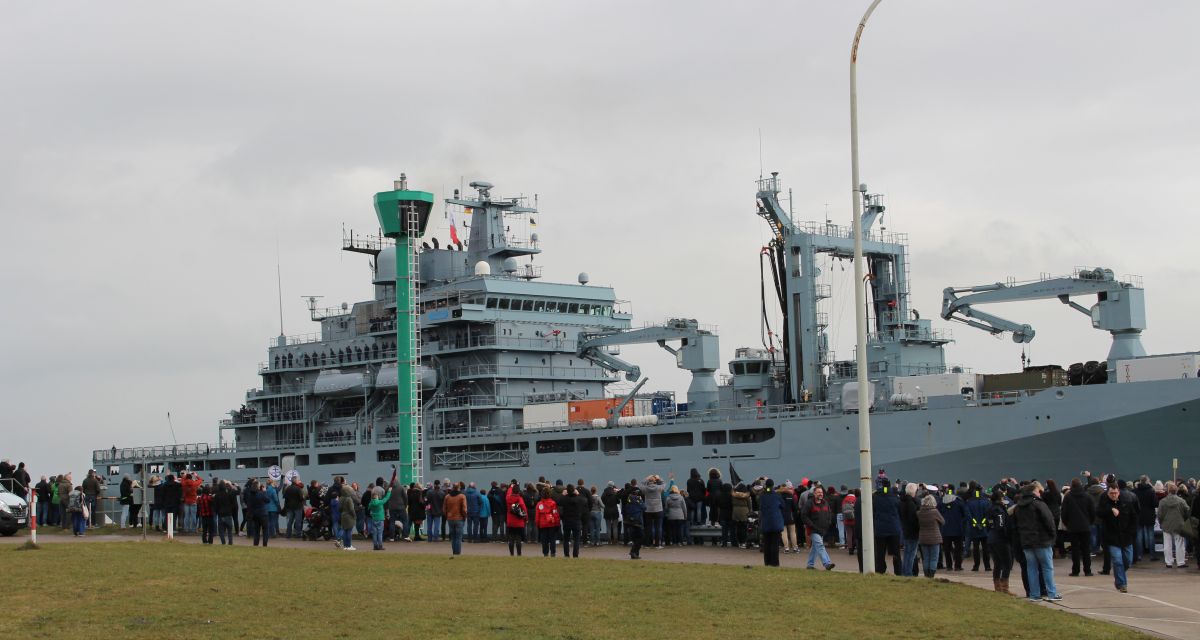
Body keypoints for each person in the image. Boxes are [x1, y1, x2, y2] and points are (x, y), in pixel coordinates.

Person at [1014, 482, 1061, 601]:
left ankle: (1034, 594)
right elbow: (1049, 521)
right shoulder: (1039, 504)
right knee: (1047, 567)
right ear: (1035, 491)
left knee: (1031, 568)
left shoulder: (1018, 507)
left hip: (1026, 541)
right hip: (1042, 540)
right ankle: (1052, 593)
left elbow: (1016, 524)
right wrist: (1052, 537)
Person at [1099, 482, 1136, 593]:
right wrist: (1110, 510)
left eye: (1115, 493)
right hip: (1112, 538)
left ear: (1119, 492)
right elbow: (1098, 513)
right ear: (1108, 493)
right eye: (1111, 493)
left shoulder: (1126, 503)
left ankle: (1119, 574)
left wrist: (1131, 532)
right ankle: (1122, 584)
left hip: (1126, 537)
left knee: (1128, 561)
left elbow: (1134, 518)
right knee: (1117, 560)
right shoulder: (1104, 502)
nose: (1114, 495)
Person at [1061, 478, 1096, 577]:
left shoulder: (1068, 497)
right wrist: (1090, 522)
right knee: (1086, 549)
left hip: (1073, 527)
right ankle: (1087, 570)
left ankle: (1075, 570)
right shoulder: (1087, 496)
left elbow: (1064, 513)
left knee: (1075, 550)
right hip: (1085, 526)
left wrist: (1067, 524)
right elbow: (1093, 512)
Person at [800, 485, 836, 570]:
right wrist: (811, 525)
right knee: (820, 545)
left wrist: (828, 522)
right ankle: (827, 563)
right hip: (813, 530)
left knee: (815, 548)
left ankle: (810, 564)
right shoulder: (809, 503)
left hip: (822, 529)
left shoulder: (825, 503)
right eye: (818, 492)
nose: (820, 494)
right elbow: (804, 515)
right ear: (814, 493)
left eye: (821, 492)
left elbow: (829, 513)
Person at [1157, 482, 1191, 568]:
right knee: (1180, 544)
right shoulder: (1181, 501)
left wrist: (1161, 523)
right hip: (1179, 524)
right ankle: (1180, 562)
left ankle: (1168, 562)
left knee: (1167, 544)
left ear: (1168, 491)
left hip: (1166, 524)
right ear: (1176, 491)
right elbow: (1187, 511)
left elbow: (1159, 515)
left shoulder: (1162, 501)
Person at [986, 487, 1014, 593]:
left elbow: (989, 524)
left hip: (991, 538)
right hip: (1000, 539)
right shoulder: (999, 510)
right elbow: (1001, 525)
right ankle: (1004, 588)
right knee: (1007, 563)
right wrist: (1007, 535)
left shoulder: (990, 508)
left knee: (997, 564)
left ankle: (997, 587)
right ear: (1000, 499)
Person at [873, 479, 903, 575]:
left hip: (880, 528)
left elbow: (873, 511)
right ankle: (898, 571)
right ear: (890, 485)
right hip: (894, 528)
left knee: (880, 552)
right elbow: (900, 510)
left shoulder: (876, 497)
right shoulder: (895, 497)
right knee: (896, 552)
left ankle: (880, 569)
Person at [938, 485, 968, 571]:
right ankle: (958, 566)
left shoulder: (941, 502)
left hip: (945, 530)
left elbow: (938, 513)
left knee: (947, 549)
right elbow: (965, 514)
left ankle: (949, 566)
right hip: (958, 529)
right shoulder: (959, 502)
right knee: (958, 549)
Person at [917, 494, 945, 578]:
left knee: (925, 558)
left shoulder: (919, 513)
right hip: (934, 538)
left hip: (923, 538)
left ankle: (926, 575)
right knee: (934, 558)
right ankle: (931, 575)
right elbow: (943, 521)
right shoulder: (935, 512)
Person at [965, 483, 992, 572]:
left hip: (974, 529)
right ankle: (987, 566)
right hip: (984, 529)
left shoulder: (969, 502)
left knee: (976, 549)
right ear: (981, 490)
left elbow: (968, 515)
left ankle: (976, 566)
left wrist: (975, 524)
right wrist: (983, 523)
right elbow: (988, 515)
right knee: (986, 548)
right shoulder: (987, 501)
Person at [1133, 475, 1159, 563]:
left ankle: (1139, 555)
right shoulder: (1151, 491)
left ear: (1140, 481)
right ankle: (1152, 555)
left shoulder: (1135, 491)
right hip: (1149, 515)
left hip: (1138, 515)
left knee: (1139, 535)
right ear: (1148, 481)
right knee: (1151, 535)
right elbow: (1155, 503)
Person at [898, 483, 921, 576]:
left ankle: (905, 571)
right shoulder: (911, 503)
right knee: (911, 554)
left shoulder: (901, 502)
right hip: (913, 532)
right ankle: (908, 573)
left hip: (905, 530)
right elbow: (914, 519)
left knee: (907, 553)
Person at [535, 486, 561, 557]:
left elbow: (537, 516)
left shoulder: (539, 504)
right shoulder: (553, 503)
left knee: (544, 540)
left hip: (542, 525)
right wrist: (557, 523)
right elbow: (555, 514)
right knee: (552, 539)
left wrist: (537, 524)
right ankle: (553, 553)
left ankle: (545, 553)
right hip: (551, 524)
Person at [443, 482, 467, 555]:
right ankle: (458, 553)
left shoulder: (447, 497)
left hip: (450, 519)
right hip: (459, 518)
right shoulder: (462, 496)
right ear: (459, 487)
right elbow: (464, 509)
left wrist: (447, 516)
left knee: (453, 537)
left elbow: (444, 509)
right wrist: (464, 516)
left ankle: (454, 552)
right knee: (458, 537)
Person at [643, 473, 666, 548]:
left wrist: (647, 478)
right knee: (658, 527)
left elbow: (640, 485)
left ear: (648, 481)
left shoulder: (645, 488)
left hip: (648, 510)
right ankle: (657, 544)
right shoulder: (658, 488)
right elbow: (664, 484)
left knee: (648, 527)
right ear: (655, 481)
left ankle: (647, 544)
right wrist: (659, 478)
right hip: (658, 509)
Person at [505, 480, 527, 556]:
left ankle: (511, 554)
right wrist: (526, 518)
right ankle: (519, 554)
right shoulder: (520, 499)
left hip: (510, 521)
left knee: (511, 538)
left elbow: (508, 493)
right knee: (518, 538)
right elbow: (524, 509)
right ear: (518, 491)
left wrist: (511, 486)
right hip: (519, 522)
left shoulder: (508, 498)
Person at [338, 478, 357, 551]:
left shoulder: (341, 498)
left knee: (345, 531)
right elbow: (352, 509)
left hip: (343, 515)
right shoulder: (349, 499)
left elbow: (339, 508)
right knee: (349, 531)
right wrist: (354, 516)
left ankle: (345, 546)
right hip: (349, 516)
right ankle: (349, 546)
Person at [625, 493, 645, 560]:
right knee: (641, 538)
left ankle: (635, 554)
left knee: (635, 539)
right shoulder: (638, 503)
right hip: (638, 523)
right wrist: (641, 501)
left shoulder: (628, 504)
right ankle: (633, 552)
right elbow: (644, 507)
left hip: (630, 523)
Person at [731, 483, 751, 548]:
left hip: (735, 511)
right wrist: (750, 511)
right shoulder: (747, 496)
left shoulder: (734, 495)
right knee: (744, 528)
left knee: (738, 528)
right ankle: (743, 542)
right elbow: (749, 504)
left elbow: (732, 502)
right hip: (744, 511)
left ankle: (738, 542)